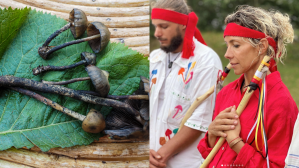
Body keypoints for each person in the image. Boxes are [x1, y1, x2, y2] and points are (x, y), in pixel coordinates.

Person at [197, 5, 298, 167]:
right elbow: (212, 155)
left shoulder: (281, 104)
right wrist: (212, 134)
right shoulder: (226, 93)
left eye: (235, 45)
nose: (227, 54)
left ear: (261, 46)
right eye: (227, 45)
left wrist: (236, 143)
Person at [149, 0, 223, 167]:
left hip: (186, 163)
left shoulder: (206, 61)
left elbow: (200, 120)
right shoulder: (154, 58)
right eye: (156, 26)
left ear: (183, 24)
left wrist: (159, 157)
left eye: (164, 26)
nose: (157, 33)